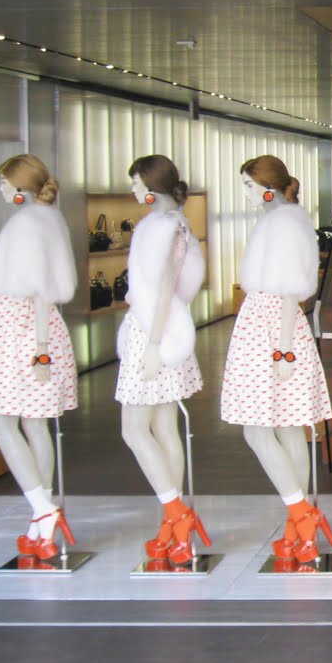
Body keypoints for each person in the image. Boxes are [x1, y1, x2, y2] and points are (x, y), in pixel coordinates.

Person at [221, 154, 332, 565]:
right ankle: (299, 523)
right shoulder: (285, 221)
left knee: (259, 430)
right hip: (269, 326)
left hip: (273, 328)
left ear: (269, 188)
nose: (247, 194)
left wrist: (284, 349)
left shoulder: (284, 224)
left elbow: (289, 291)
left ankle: (301, 514)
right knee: (287, 427)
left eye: (250, 186)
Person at [0, 153, 78, 562]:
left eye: (4, 182)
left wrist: (41, 349)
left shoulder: (27, 225)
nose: (0, 189)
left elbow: (39, 289)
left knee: (2, 424)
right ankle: (42, 521)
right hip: (34, 330)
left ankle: (43, 511)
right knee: (34, 424)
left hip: (18, 331)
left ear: (20, 189)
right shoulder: (49, 220)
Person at [117, 154, 209, 566]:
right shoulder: (173, 225)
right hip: (164, 328)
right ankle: (173, 523)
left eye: (137, 183)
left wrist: (153, 343)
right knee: (163, 426)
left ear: (151, 187)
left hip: (153, 333)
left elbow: (162, 289)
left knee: (136, 429)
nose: (133, 190)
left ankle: (175, 514)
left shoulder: (163, 228)